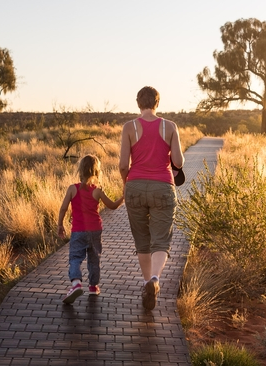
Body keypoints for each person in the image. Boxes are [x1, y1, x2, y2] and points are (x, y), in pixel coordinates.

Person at [119, 86, 184, 310]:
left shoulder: (129, 127)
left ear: (138, 103)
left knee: (142, 239)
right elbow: (179, 161)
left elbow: (122, 165)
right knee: (161, 239)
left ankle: (146, 281)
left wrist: (126, 184)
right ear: (157, 103)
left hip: (135, 186)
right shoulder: (170, 127)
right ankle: (155, 279)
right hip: (163, 187)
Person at [56, 154, 123, 304]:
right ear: (96, 172)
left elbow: (63, 208)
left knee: (75, 258)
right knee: (94, 258)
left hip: (78, 230)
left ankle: (76, 284)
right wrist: (122, 197)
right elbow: (112, 206)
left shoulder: (72, 189)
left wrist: (60, 224)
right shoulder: (97, 191)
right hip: (95, 230)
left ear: (80, 170)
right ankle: (93, 286)